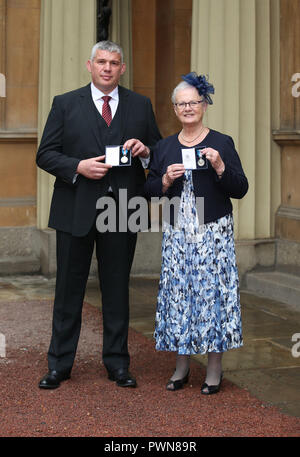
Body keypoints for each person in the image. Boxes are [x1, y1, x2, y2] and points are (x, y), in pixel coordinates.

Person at [37, 40, 161, 389]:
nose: (107, 68)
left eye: (114, 63)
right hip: (75, 206)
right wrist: (77, 165)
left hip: (124, 208)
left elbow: (159, 153)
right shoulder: (65, 104)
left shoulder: (140, 105)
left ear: (122, 69)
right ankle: (59, 365)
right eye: (101, 62)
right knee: (68, 290)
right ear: (90, 66)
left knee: (118, 288)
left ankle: (118, 364)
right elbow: (45, 154)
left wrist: (146, 152)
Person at [144, 72, 248, 394]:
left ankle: (214, 368)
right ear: (175, 109)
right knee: (179, 295)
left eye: (194, 102)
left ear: (204, 105)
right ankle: (181, 366)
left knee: (212, 295)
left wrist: (219, 167)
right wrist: (163, 181)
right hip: (178, 234)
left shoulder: (221, 142)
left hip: (213, 234)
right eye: (182, 104)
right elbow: (146, 191)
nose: (188, 108)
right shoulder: (164, 147)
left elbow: (240, 188)